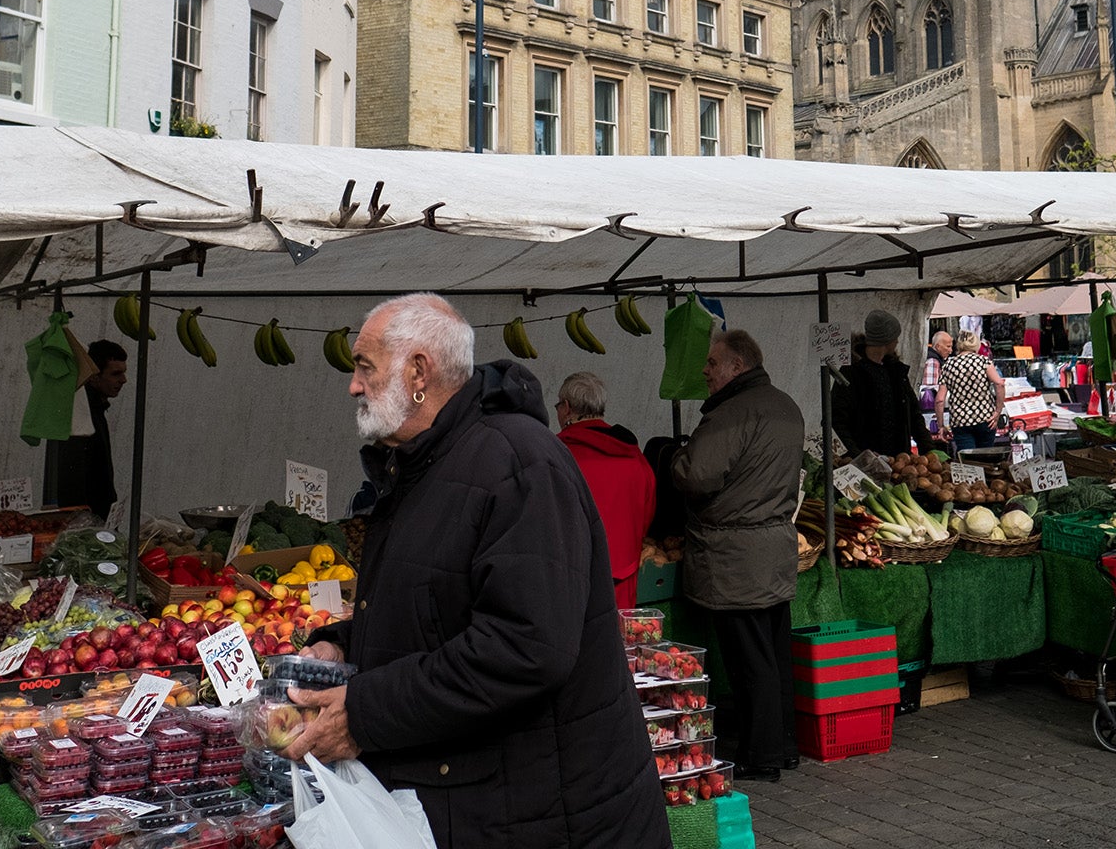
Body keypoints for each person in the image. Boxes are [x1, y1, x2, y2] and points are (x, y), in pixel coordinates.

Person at [285, 294, 666, 849]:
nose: (353, 385)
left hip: (549, 812)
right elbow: (438, 604)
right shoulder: (422, 463)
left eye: (365, 366)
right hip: (481, 794)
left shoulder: (517, 463)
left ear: (419, 372)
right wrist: (344, 645)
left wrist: (364, 714)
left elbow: (525, 647)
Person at [670, 329, 806, 783]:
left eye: (712, 363)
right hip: (772, 547)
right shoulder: (785, 404)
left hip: (736, 555)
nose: (705, 371)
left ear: (737, 367)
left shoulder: (732, 414)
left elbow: (696, 475)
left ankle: (761, 756)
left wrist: (673, 457)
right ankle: (784, 746)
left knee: (751, 663)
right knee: (774, 657)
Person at [555, 371, 657, 610]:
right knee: (620, 644)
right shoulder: (633, 454)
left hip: (572, 576)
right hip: (623, 576)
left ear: (567, 408)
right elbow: (647, 512)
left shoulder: (559, 453)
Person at [831, 310, 929, 457]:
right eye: (895, 336)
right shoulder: (851, 372)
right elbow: (837, 419)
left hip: (898, 459)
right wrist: (858, 455)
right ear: (886, 339)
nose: (897, 341)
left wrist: (928, 449)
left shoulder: (895, 370)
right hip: (866, 460)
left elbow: (914, 413)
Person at [51, 339, 127, 519]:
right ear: (93, 376)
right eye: (116, 374)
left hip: (99, 516)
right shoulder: (81, 414)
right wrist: (81, 519)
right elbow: (72, 476)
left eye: (123, 373)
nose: (123, 380)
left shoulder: (97, 409)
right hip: (87, 519)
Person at [937, 330, 1006, 451]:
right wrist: (997, 411)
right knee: (985, 458)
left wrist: (941, 425)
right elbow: (999, 384)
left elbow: (939, 400)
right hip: (985, 418)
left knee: (968, 463)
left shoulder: (948, 365)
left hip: (960, 420)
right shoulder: (983, 361)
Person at [919, 329, 954, 434]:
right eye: (948, 346)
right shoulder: (933, 361)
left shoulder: (935, 359)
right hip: (932, 414)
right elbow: (930, 390)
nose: (951, 350)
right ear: (938, 346)